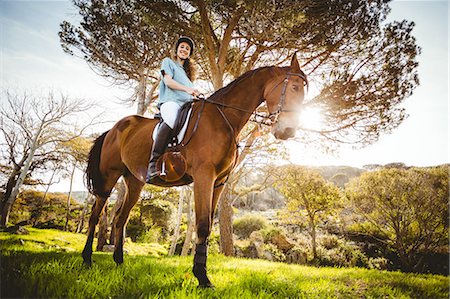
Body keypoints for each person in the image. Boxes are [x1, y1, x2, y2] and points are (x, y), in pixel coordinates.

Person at [146, 36, 200, 183]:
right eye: (182, 47)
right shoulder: (168, 62)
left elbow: (188, 92)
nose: (184, 50)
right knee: (171, 119)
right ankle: (153, 162)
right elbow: (168, 82)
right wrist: (188, 89)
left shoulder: (187, 75)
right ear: (176, 50)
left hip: (186, 105)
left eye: (187, 49)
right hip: (170, 102)